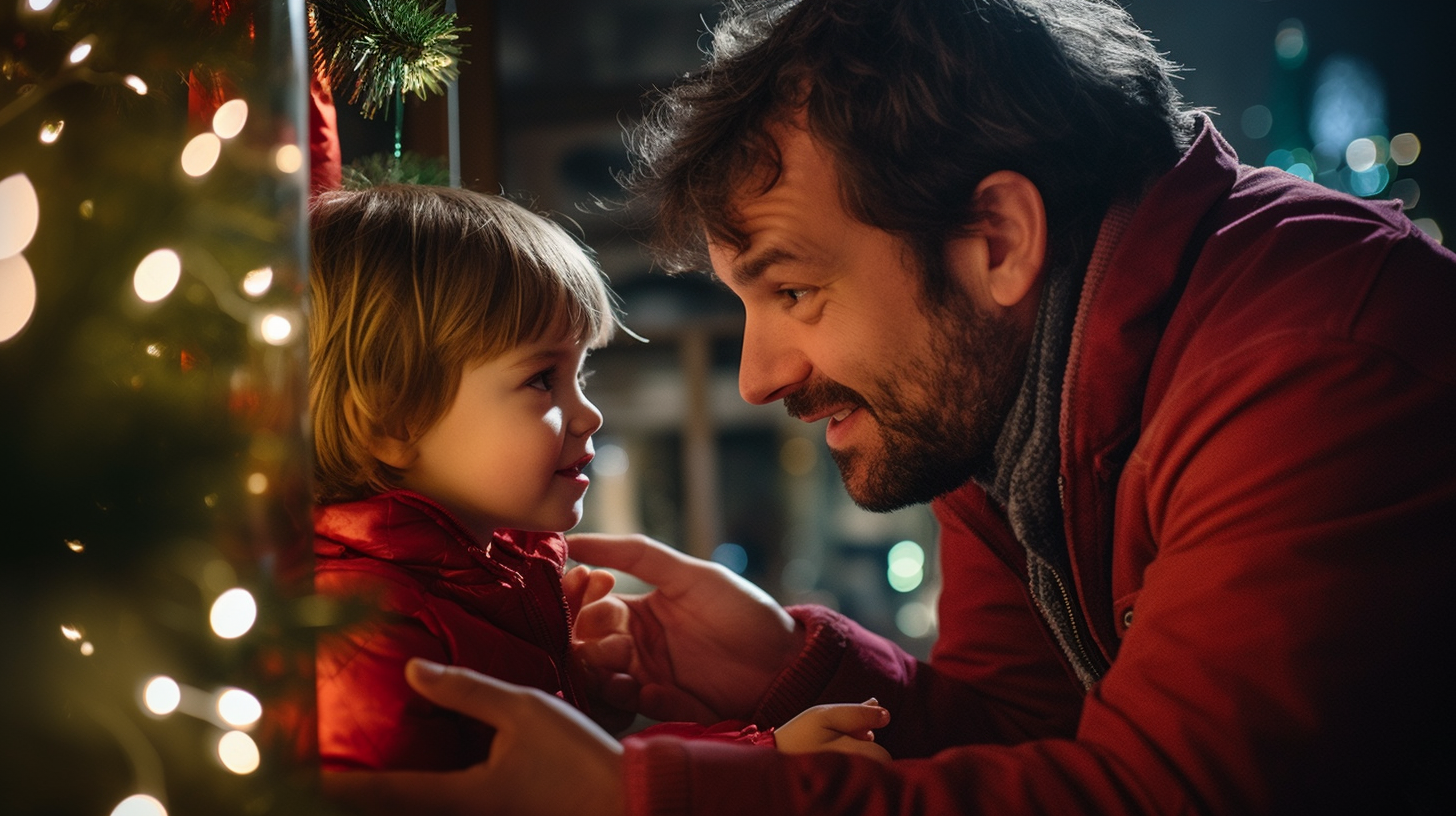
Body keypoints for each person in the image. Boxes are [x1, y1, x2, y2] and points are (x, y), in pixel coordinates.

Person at [322, 1, 1456, 814]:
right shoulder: (1011, 385)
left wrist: (645, 794)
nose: (759, 374)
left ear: (995, 240)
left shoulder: (1317, 361)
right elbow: (1027, 736)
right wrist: (792, 669)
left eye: (796, 292)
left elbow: (1161, 792)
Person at [306, 184, 891, 778]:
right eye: (542, 379)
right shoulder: (360, 632)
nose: (589, 415)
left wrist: (583, 706)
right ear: (392, 418)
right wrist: (762, 760)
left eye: (580, 372)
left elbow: (568, 784)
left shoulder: (495, 583)